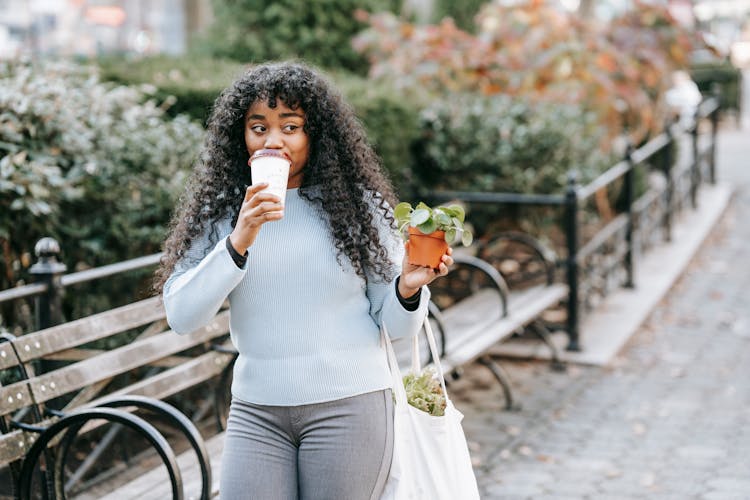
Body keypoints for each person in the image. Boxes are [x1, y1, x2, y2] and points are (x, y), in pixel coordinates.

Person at [153, 61, 454, 500]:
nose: (273, 140)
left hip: (350, 405)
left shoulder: (357, 207)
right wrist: (238, 241)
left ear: (315, 136)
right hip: (256, 412)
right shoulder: (222, 213)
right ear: (242, 136)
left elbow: (396, 326)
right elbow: (181, 315)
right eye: (259, 127)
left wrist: (408, 287)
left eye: (290, 127)